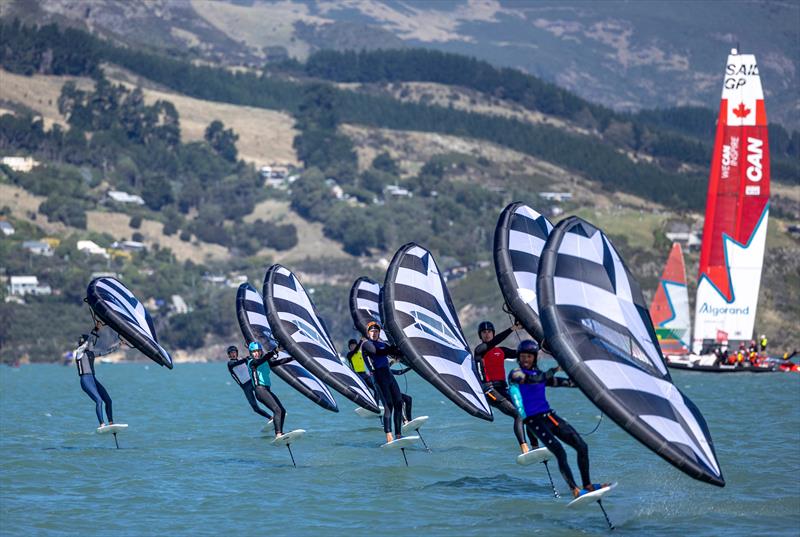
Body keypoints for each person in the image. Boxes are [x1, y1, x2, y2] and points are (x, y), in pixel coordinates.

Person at [508, 339, 607, 499]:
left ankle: (587, 485)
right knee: (560, 452)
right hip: (534, 421)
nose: (526, 359)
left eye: (529, 356)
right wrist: (556, 369)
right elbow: (535, 379)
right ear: (519, 357)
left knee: (582, 446)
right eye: (523, 356)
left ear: (534, 358)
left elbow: (566, 383)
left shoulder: (539, 375)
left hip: (550, 416)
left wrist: (595, 382)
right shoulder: (516, 374)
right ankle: (575, 490)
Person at [474, 320, 551, 454]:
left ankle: (535, 447)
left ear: (493, 333)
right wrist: (512, 328)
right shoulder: (479, 351)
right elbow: (493, 342)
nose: (487, 334)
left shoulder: (501, 351)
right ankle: (524, 448)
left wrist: (541, 346)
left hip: (503, 389)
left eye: (489, 332)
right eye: (484, 332)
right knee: (518, 414)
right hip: (489, 390)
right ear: (480, 335)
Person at [360, 321, 405, 443]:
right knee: (388, 405)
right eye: (372, 331)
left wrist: (399, 350)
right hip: (378, 377)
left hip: (388, 374)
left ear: (379, 332)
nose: (374, 333)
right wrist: (391, 349)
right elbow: (377, 352)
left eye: (376, 331)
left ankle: (399, 434)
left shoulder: (382, 344)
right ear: (368, 333)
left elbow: (395, 353)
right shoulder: (366, 344)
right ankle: (389, 434)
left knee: (399, 402)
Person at [247, 341, 293, 437]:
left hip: (266, 390)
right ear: (251, 353)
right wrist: (276, 350)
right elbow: (264, 359)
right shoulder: (252, 363)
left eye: (258, 351)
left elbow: (278, 362)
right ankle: (278, 434)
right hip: (260, 390)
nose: (256, 353)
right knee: (277, 410)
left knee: (282, 411)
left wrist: (293, 358)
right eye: (254, 351)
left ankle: (280, 432)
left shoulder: (265, 362)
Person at [74, 333, 114, 427]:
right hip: (85, 381)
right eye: (90, 343)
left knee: (108, 400)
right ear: (86, 344)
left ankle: (111, 422)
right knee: (99, 401)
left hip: (93, 380)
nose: (92, 344)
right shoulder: (79, 353)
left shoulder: (91, 354)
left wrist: (120, 344)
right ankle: (102, 424)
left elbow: (107, 351)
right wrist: (95, 330)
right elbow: (84, 345)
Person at [226, 345, 272, 424]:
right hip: (245, 387)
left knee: (263, 398)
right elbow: (237, 363)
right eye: (231, 353)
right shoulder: (230, 364)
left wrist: (250, 351)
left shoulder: (243, 360)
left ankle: (276, 411)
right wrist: (246, 358)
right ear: (229, 355)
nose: (233, 354)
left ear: (237, 353)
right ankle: (270, 418)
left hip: (252, 381)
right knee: (255, 407)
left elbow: (255, 360)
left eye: (234, 352)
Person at [346, 338, 381, 405]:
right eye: (351, 346)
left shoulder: (361, 353)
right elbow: (356, 350)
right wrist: (361, 341)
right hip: (357, 376)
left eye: (354, 345)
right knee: (365, 392)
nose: (353, 347)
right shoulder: (349, 355)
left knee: (377, 390)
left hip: (365, 374)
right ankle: (367, 404)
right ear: (349, 347)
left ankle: (376, 405)